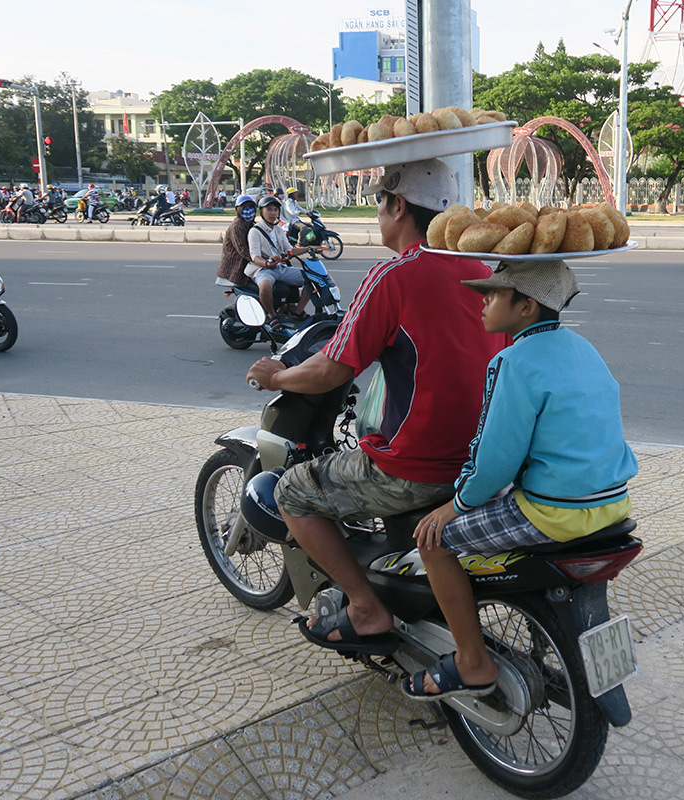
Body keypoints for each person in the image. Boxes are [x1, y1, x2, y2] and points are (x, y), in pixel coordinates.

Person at [245, 159, 508, 655]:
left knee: (294, 492)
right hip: (482, 457)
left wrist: (276, 375)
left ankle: (365, 607)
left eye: (380, 206)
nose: (379, 216)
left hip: (418, 465)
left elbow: (332, 370)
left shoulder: (394, 274)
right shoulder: (482, 269)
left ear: (399, 206)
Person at [400, 259, 638, 699]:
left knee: (433, 540)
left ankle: (470, 660)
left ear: (526, 306)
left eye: (493, 294)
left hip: (555, 513)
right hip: (613, 504)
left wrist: (454, 505)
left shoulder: (512, 360)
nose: (483, 303)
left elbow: (494, 464)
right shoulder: (583, 348)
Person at [248, 194, 316, 330]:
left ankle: (297, 312)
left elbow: (290, 251)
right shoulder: (254, 231)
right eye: (269, 209)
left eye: (275, 210)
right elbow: (255, 257)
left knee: (313, 278)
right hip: (263, 269)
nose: (273, 213)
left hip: (280, 268)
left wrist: (310, 248)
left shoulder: (278, 230)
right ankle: (272, 315)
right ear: (261, 211)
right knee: (265, 285)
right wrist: (267, 263)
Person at [217, 194, 257, 286]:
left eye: (251, 207)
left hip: (248, 264)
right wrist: (258, 260)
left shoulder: (250, 224)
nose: (249, 210)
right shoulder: (237, 226)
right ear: (238, 210)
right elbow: (242, 249)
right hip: (236, 268)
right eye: (245, 208)